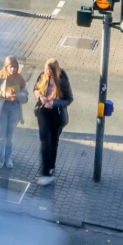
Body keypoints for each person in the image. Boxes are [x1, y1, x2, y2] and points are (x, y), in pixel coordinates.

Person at [33, 58, 73, 186]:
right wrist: (40, 96)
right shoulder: (42, 76)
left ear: (55, 71)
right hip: (43, 112)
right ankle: (46, 173)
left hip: (56, 113)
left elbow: (69, 99)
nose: (47, 72)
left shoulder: (63, 80)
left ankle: (51, 168)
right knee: (45, 141)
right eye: (45, 69)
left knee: (54, 142)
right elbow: (36, 89)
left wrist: (54, 103)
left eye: (49, 70)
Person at [0, 57, 28, 169]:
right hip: (3, 108)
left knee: (10, 136)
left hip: (15, 108)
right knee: (0, 135)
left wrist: (17, 96)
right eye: (11, 67)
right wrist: (5, 94)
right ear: (6, 67)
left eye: (15, 67)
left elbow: (26, 97)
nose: (13, 69)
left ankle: (8, 158)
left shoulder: (20, 78)